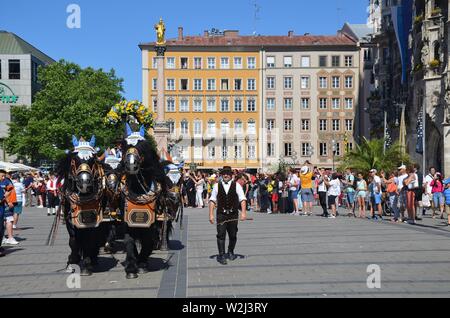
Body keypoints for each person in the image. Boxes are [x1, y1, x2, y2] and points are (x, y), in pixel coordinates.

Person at [209, 166, 247, 265]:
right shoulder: (217, 185)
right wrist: (211, 215)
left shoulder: (237, 185)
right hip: (221, 214)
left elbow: (242, 199)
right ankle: (221, 255)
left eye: (228, 173)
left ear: (231, 175)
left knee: (233, 235)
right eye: (224, 173)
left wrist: (243, 213)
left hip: (233, 214)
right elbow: (212, 200)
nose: (226, 175)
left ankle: (230, 251)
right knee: (221, 235)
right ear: (222, 175)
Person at [0, 171, 18, 246]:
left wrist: (9, 201)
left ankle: (8, 238)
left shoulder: (7, 181)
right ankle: (6, 238)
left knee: (8, 219)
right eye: (2, 176)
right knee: (5, 221)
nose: (4, 177)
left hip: (5, 204)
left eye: (5, 175)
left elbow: (10, 191)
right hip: (3, 204)